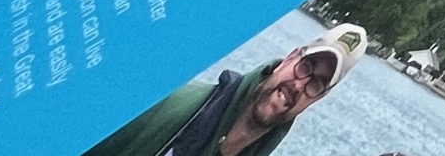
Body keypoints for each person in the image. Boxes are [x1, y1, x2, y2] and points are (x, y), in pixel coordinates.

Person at [83, 26, 364, 156]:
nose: (299, 85)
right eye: (306, 66)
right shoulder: (167, 107)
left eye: (316, 85)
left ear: (320, 98)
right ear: (290, 57)